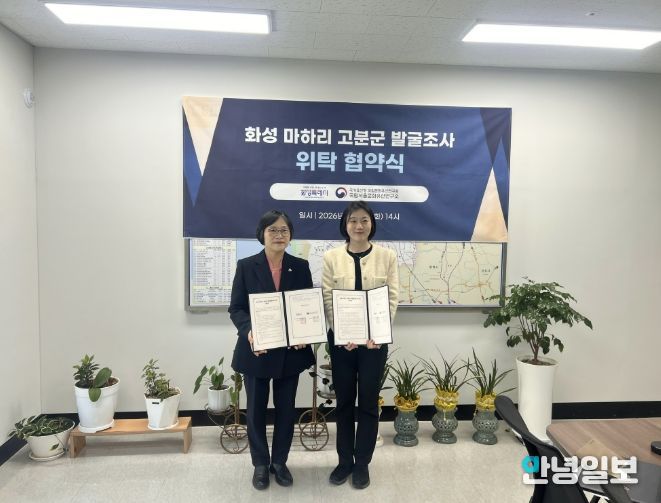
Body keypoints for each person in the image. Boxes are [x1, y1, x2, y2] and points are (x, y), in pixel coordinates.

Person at [229, 210, 315, 490]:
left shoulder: (300, 266)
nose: (279, 235)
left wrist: (304, 333)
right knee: (255, 411)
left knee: (286, 410)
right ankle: (260, 464)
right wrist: (249, 332)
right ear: (262, 234)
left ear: (290, 235)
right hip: (257, 351)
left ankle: (279, 462)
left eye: (284, 230)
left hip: (290, 353)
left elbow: (305, 306)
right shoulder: (246, 266)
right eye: (273, 230)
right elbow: (237, 308)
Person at [321, 200, 399, 489]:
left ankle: (362, 463)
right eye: (353, 220)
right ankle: (344, 461)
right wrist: (342, 334)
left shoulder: (387, 257)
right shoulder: (331, 257)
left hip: (374, 344)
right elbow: (328, 298)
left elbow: (392, 298)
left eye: (364, 220)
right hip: (342, 344)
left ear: (371, 224)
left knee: (367, 402)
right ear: (345, 225)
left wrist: (378, 333)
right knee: (343, 403)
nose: (358, 225)